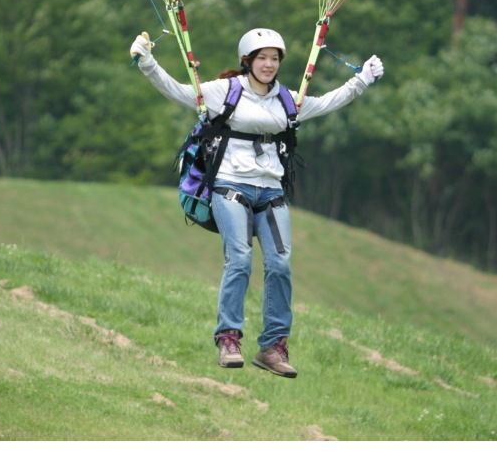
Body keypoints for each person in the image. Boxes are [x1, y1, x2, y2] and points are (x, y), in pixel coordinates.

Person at [130, 27, 383, 378]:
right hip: (229, 186)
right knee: (240, 258)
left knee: (280, 264)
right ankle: (229, 338)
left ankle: (273, 348)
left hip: (271, 192)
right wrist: (147, 62)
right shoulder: (225, 93)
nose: (268, 64)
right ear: (247, 61)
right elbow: (179, 91)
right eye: (262, 58)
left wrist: (363, 79)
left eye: (274, 59)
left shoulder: (287, 100)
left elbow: (326, 103)